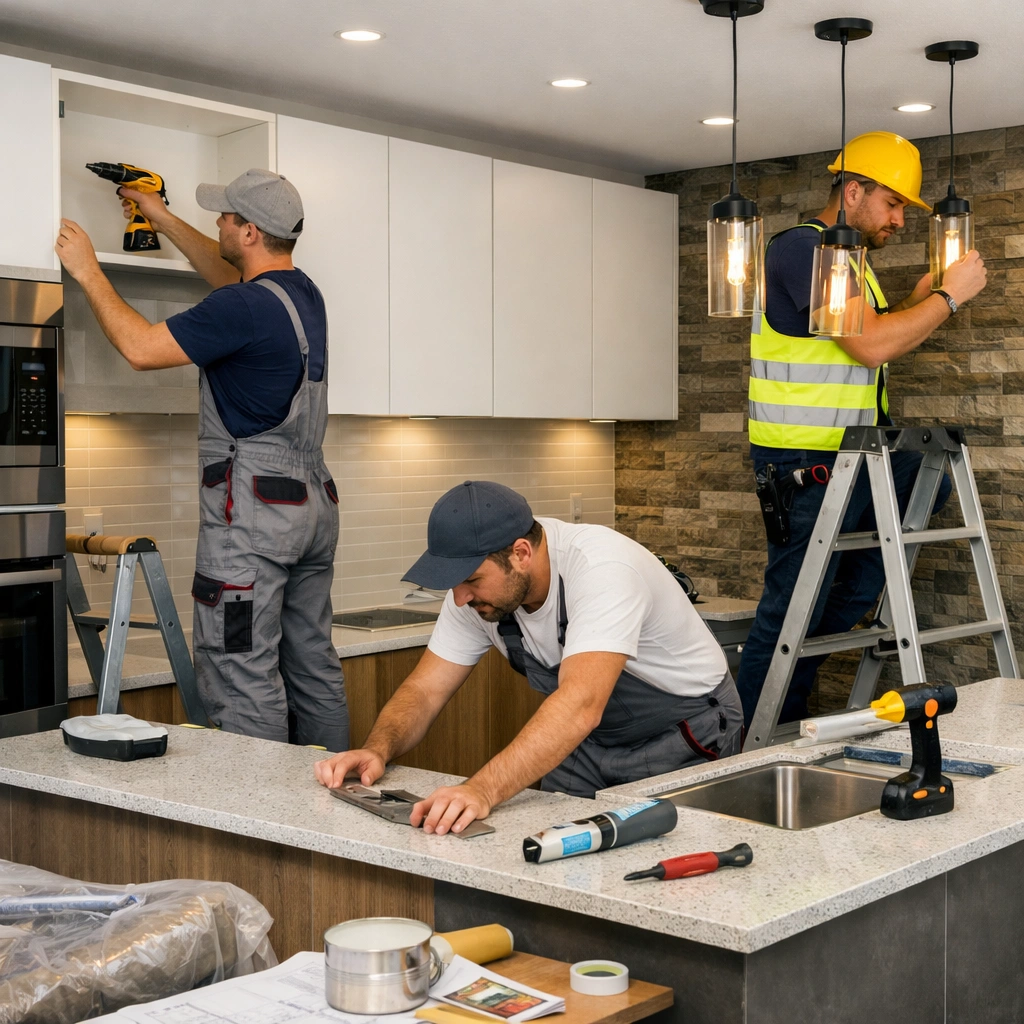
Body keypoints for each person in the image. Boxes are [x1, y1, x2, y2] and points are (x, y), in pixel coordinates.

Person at [54, 168, 349, 750]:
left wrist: (87, 270)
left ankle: (258, 819)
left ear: (249, 232)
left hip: (255, 524)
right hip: (311, 508)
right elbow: (228, 278)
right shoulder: (299, 293)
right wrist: (162, 219)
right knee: (312, 663)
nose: (216, 222)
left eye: (224, 216)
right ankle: (331, 805)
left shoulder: (240, 308)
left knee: (241, 668)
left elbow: (140, 349)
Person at [315, 480, 742, 834]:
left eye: (471, 580)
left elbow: (580, 705)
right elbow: (425, 689)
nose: (460, 597)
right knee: (550, 857)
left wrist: (480, 789)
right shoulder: (475, 597)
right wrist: (377, 749)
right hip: (589, 743)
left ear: (521, 554)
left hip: (684, 733)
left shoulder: (602, 568)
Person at [736, 131, 988, 728]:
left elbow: (860, 343)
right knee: (791, 609)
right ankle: (745, 740)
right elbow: (871, 349)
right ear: (853, 192)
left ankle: (787, 717)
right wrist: (948, 298)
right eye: (893, 204)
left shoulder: (846, 262)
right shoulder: (805, 251)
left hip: (854, 457)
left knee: (924, 478)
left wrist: (913, 300)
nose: (900, 220)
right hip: (805, 466)